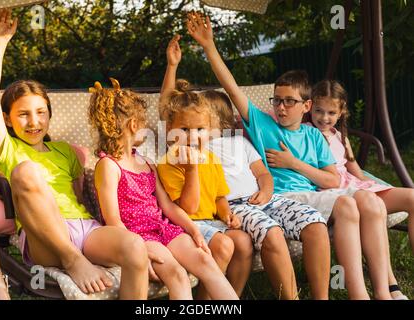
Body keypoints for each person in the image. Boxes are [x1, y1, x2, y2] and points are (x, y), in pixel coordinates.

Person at [187, 11, 395, 300]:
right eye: (277, 100)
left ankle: (379, 289)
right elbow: (232, 89)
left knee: (359, 203)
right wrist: (209, 47)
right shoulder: (263, 125)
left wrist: (293, 163)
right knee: (347, 205)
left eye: (289, 102)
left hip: (310, 196)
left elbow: (331, 179)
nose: (281, 107)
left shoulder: (313, 134)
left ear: (306, 105)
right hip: (279, 198)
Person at [0, 9, 150, 298]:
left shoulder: (65, 152)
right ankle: (73, 261)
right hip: (44, 238)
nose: (34, 122)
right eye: (23, 115)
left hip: (85, 228)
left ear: (49, 114)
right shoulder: (7, 149)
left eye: (40, 113)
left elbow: (80, 195)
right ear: (8, 119)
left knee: (134, 247)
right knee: (25, 171)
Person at [161, 35, 328, 300]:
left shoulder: (239, 141)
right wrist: (172, 67)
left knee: (315, 224)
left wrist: (266, 189)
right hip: (236, 205)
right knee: (271, 233)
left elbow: (262, 173)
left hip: (267, 199)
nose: (198, 128)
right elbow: (168, 108)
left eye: (207, 120)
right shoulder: (192, 148)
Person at [89, 79, 238, 300]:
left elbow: (167, 206)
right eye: (143, 123)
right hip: (137, 236)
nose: (146, 128)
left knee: (205, 261)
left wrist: (193, 230)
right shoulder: (108, 166)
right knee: (178, 274)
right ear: (133, 125)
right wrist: (139, 254)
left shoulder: (146, 162)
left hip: (163, 227)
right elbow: (113, 221)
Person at [158, 45, 253, 298]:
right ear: (170, 129)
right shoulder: (169, 162)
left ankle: (231, 295)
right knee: (223, 245)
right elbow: (187, 208)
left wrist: (228, 215)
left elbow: (220, 196)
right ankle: (204, 301)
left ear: (209, 129)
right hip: (186, 225)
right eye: (185, 130)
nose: (192, 136)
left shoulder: (210, 157)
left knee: (243, 242)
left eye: (199, 129)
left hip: (212, 220)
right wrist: (192, 170)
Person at [308, 79, 412, 300]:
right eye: (318, 110)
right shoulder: (306, 132)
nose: (324, 118)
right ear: (309, 106)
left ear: (341, 111)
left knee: (412, 197)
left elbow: (355, 169)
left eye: (331, 112)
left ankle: (390, 284)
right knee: (372, 207)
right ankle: (389, 286)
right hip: (334, 192)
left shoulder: (339, 136)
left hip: (356, 186)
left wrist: (376, 185)